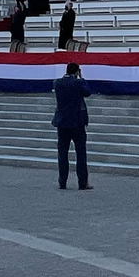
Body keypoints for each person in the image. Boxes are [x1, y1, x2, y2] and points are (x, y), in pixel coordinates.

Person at [53, 60, 91, 189]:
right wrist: (81, 77)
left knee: (62, 153)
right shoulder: (78, 83)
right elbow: (87, 92)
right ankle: (82, 182)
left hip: (62, 122)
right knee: (80, 153)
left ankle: (62, 181)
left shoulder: (57, 83)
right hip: (77, 122)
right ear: (76, 71)